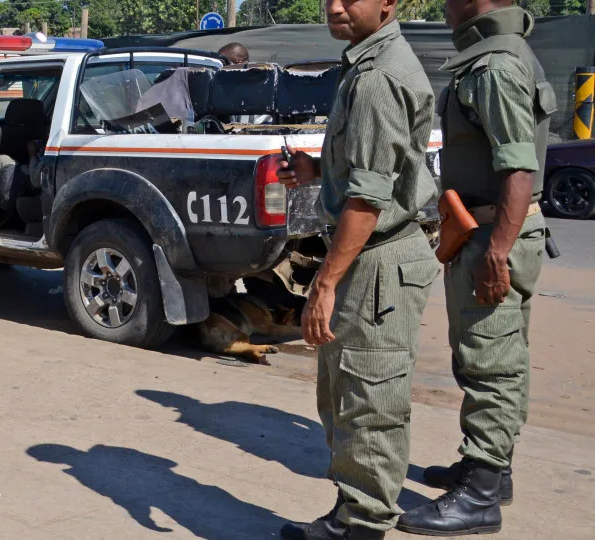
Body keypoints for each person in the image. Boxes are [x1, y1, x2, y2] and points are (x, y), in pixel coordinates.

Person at [276, 0, 439, 537]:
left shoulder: (378, 78)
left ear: (389, 3)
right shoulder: (366, 64)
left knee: (369, 402)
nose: (336, 6)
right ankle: (352, 512)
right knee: (345, 394)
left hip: (376, 259)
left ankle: (363, 524)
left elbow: (369, 201)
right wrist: (319, 169)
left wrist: (325, 282)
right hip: (370, 253)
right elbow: (379, 167)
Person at [395, 2, 554, 536]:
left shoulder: (495, 66)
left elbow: (518, 167)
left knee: (490, 364)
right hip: (486, 230)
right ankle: (492, 468)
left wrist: (497, 252)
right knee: (496, 354)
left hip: (492, 234)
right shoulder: (498, 54)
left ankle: (481, 495)